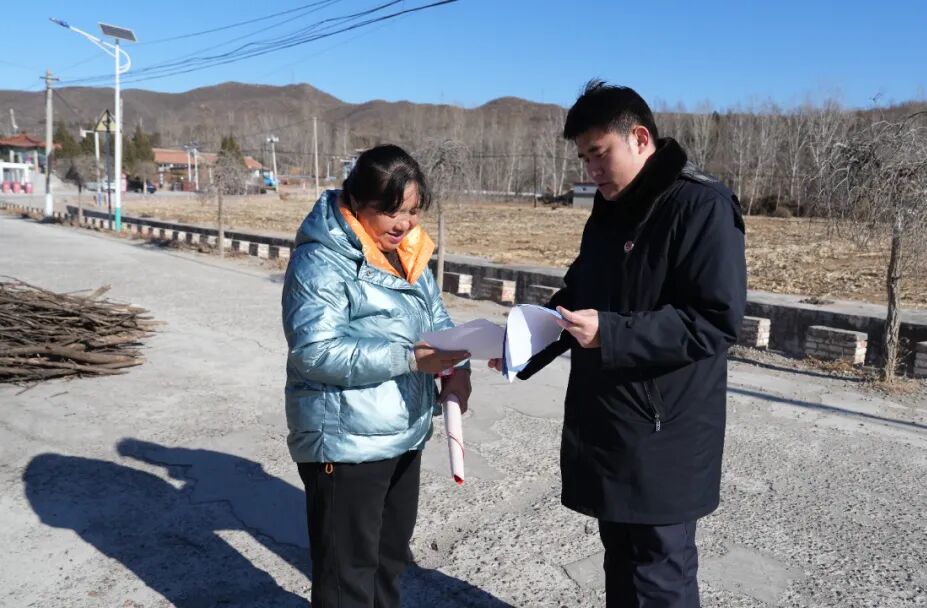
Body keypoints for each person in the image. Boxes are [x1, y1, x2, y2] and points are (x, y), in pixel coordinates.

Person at [493, 80, 747, 607]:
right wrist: (525, 346)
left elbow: (714, 320)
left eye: (599, 153)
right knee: (621, 564)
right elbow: (580, 294)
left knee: (659, 573)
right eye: (584, 158)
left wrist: (611, 333)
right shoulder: (611, 209)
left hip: (664, 429)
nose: (591, 169)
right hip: (612, 423)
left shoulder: (700, 205)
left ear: (640, 138)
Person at [281, 144, 471, 608]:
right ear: (357, 201)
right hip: (346, 442)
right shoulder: (320, 261)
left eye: (412, 210)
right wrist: (409, 359)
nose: (404, 223)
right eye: (391, 211)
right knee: (347, 576)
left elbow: (436, 318)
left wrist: (459, 367)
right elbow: (315, 352)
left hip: (404, 433)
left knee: (389, 561)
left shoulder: (408, 252)